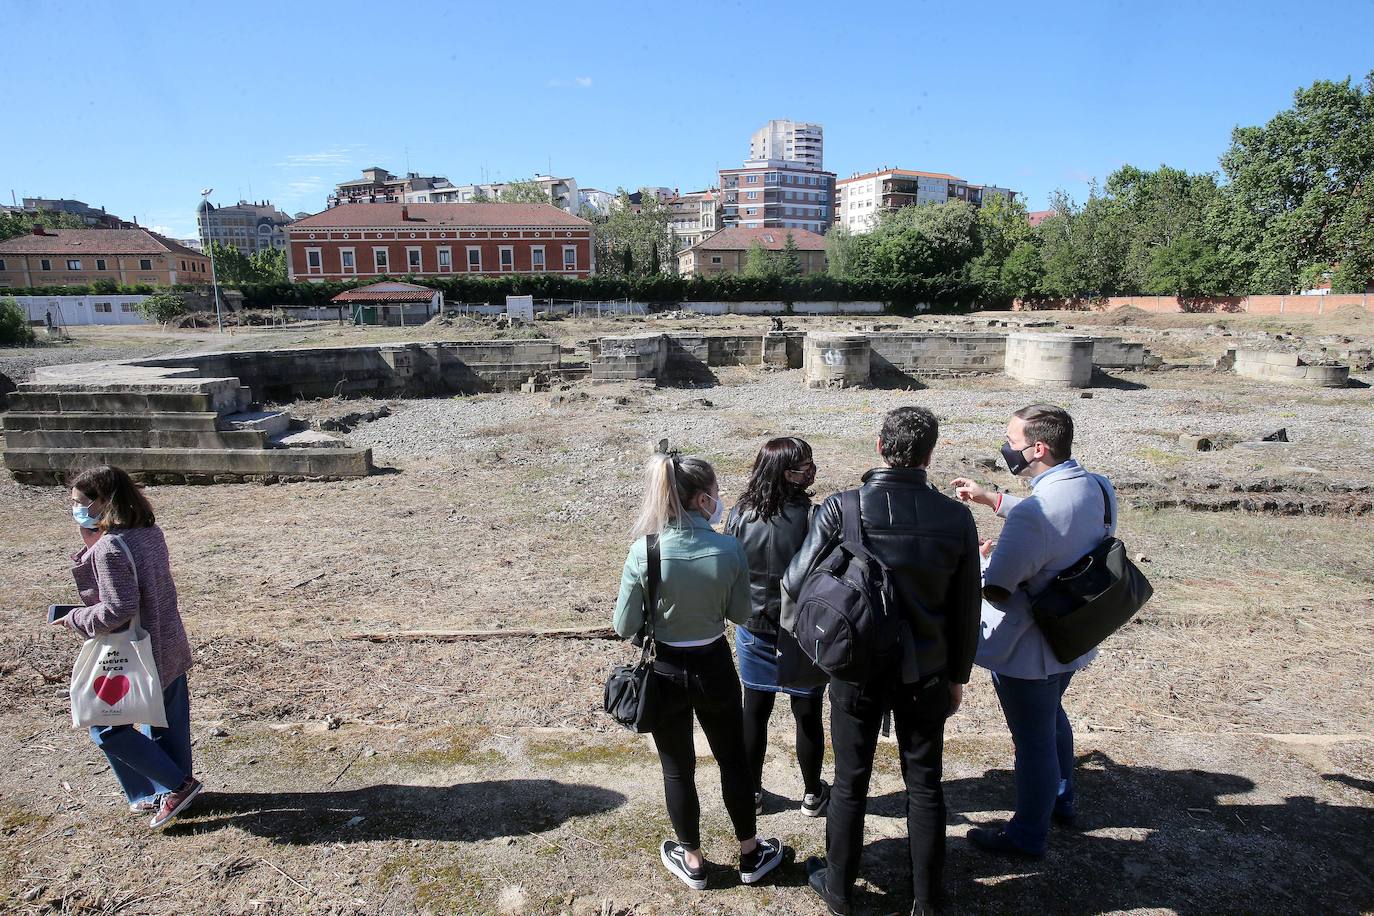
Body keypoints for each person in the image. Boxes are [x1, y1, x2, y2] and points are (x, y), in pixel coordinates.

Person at [784, 407, 982, 916]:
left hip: (856, 668)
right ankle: (927, 900)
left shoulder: (842, 508)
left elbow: (795, 581)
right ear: (930, 453)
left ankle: (841, 890)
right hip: (929, 671)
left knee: (851, 781)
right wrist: (959, 676)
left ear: (879, 446)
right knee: (926, 782)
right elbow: (967, 607)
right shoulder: (956, 516)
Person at [612, 448, 788, 890]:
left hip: (665, 668)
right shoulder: (728, 548)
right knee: (732, 760)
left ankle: (692, 860)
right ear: (701, 499)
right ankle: (751, 853)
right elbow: (741, 612)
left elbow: (623, 624)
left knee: (677, 768)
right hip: (714, 665)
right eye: (715, 492)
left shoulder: (644, 550)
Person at [951, 404, 1116, 858]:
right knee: (1052, 718)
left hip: (1029, 649)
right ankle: (1063, 798)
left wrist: (979, 560)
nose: (1007, 448)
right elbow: (1055, 520)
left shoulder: (1034, 515)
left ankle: (1027, 835)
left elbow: (999, 589)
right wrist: (994, 500)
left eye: (1012, 441)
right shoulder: (1098, 486)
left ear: (1038, 447)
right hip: (1074, 633)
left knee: (1033, 742)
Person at [50, 465, 201, 830]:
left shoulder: (110, 546)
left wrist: (76, 619)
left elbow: (119, 608)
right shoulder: (149, 531)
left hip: (134, 649)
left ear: (103, 501)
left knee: (103, 725)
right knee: (168, 720)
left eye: (80, 503)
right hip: (167, 639)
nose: (76, 509)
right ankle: (161, 793)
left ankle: (177, 786)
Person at [724, 437, 828, 818]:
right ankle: (813, 794)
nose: (811, 470)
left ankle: (751, 792)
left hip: (753, 627)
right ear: (787, 474)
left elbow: (730, 568)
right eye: (805, 466)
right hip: (801, 629)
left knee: (754, 710)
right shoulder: (813, 517)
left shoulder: (738, 515)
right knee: (807, 713)